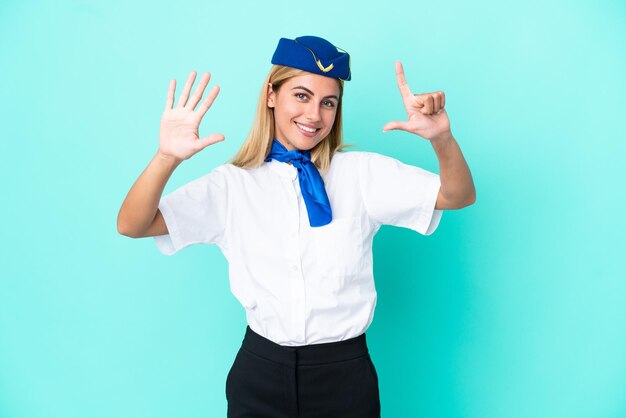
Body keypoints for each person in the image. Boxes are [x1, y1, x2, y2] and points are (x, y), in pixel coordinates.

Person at [117, 35, 475, 418]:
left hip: (344, 376)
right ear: (271, 94)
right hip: (259, 372)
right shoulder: (231, 185)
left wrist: (442, 139)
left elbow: (457, 196)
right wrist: (166, 157)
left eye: (328, 103)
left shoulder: (362, 174)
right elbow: (134, 224)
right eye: (301, 96)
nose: (314, 115)